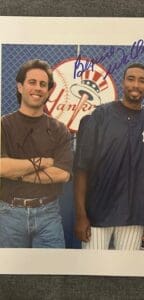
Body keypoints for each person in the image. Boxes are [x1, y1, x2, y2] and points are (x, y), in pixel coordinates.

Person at [73, 63, 144, 250]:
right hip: (97, 214)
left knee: (125, 274)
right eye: (131, 79)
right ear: (123, 82)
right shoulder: (99, 117)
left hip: (134, 216)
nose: (136, 85)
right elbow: (81, 168)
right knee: (93, 273)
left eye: (142, 81)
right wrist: (81, 215)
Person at [0, 59, 73, 248]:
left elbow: (62, 174)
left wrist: (16, 172)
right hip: (9, 214)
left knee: (52, 274)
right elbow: (1, 167)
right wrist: (42, 162)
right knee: (10, 275)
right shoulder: (3, 125)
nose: (38, 88)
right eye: (32, 82)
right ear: (20, 86)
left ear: (49, 91)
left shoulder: (59, 129)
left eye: (43, 84)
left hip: (48, 214)